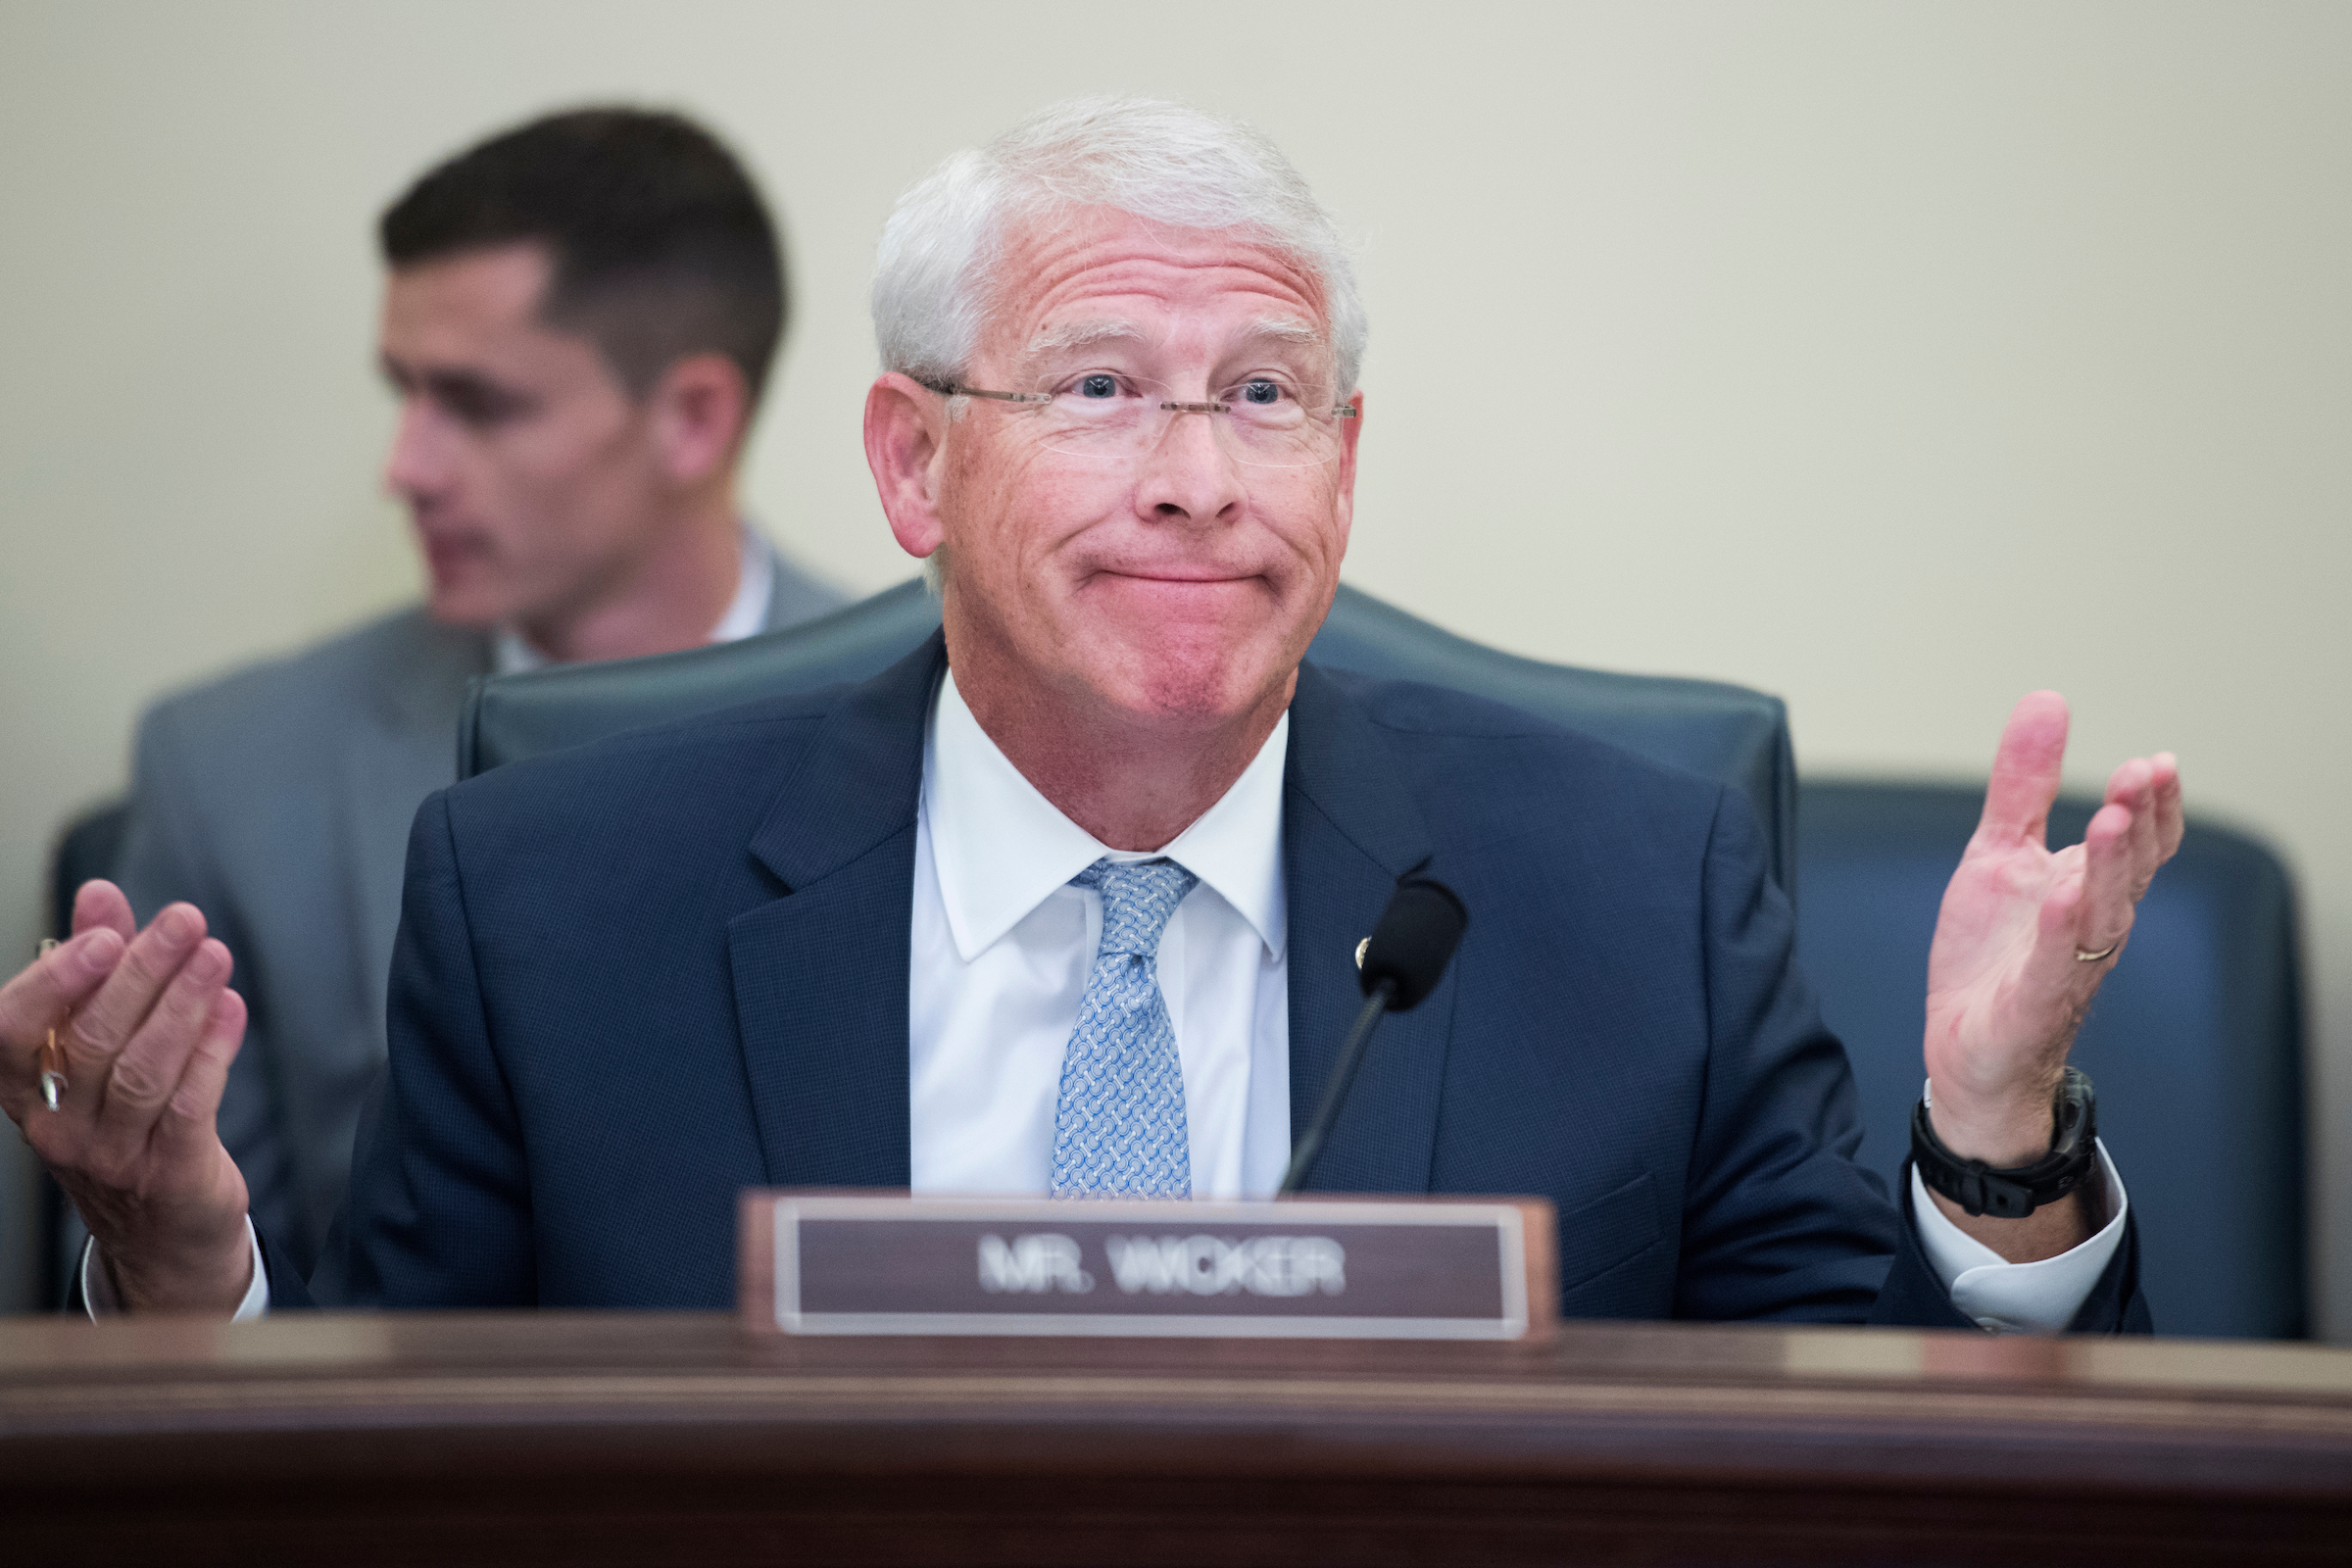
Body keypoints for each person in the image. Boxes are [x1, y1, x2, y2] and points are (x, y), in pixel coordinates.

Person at [3, 99, 2180, 1330]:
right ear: (911, 465)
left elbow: (1882, 1452)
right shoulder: (556, 896)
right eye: (1102, 388)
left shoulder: (1631, 878)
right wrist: (184, 1260)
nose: (1197, 477)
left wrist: (1996, 1140)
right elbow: (404, 1472)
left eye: (1264, 396)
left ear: (1347, 462)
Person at [76, 107, 846, 1278]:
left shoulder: (953, 720)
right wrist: (172, 1243)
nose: (407, 469)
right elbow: (225, 1327)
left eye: (479, 404)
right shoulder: (233, 770)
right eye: (404, 392)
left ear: (693, 418)